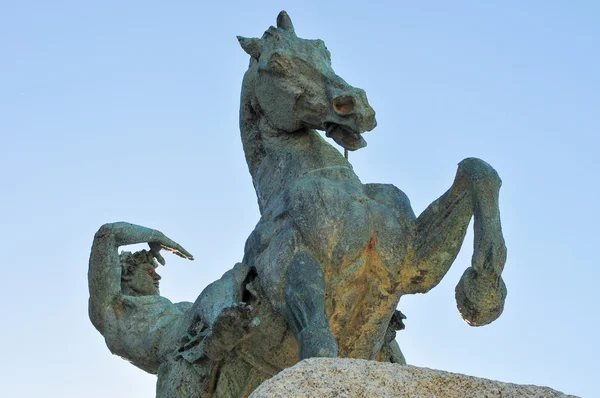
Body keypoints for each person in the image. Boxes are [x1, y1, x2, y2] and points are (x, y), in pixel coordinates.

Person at [88, 222, 255, 397]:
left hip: (195, 327)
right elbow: (108, 234)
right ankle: (218, 334)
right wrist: (155, 235)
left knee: (233, 280)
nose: (157, 276)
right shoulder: (113, 308)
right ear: (126, 275)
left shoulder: (176, 307)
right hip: (177, 348)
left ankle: (224, 326)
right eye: (149, 271)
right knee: (219, 288)